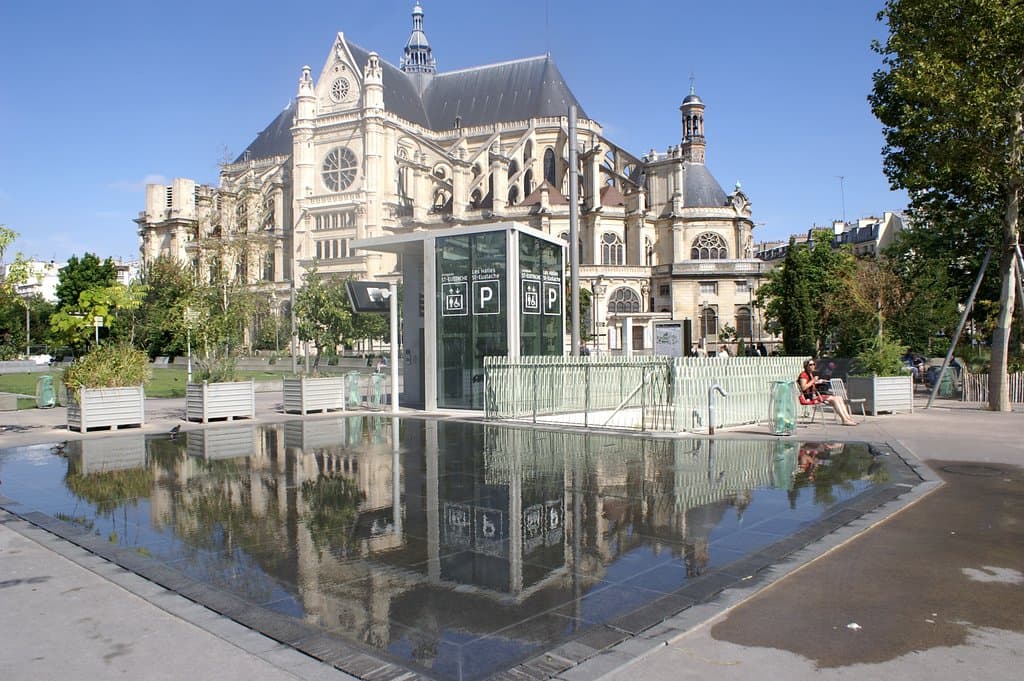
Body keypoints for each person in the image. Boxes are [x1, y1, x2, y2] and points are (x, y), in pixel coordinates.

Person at [798, 359, 857, 426]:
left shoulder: (810, 374)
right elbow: (803, 387)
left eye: (814, 364)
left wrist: (818, 382)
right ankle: (844, 420)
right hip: (809, 397)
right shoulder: (803, 375)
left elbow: (811, 384)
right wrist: (813, 380)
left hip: (815, 395)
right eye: (810, 365)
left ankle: (848, 418)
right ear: (806, 366)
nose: (813, 366)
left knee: (839, 398)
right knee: (834, 399)